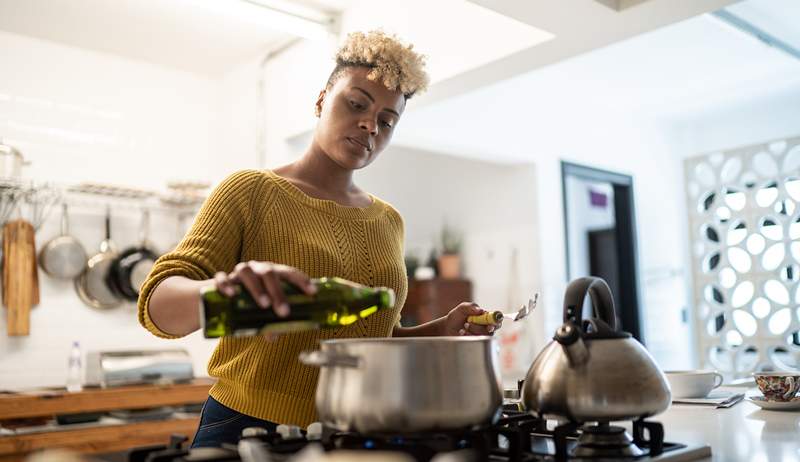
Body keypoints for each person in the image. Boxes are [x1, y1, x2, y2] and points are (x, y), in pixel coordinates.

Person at [137, 30, 499, 448]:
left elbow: (372, 337)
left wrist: (439, 332)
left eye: (387, 121)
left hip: (358, 427)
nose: (370, 125)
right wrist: (222, 291)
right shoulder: (250, 191)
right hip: (248, 428)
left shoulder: (388, 220)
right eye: (357, 103)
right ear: (321, 99)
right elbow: (157, 304)